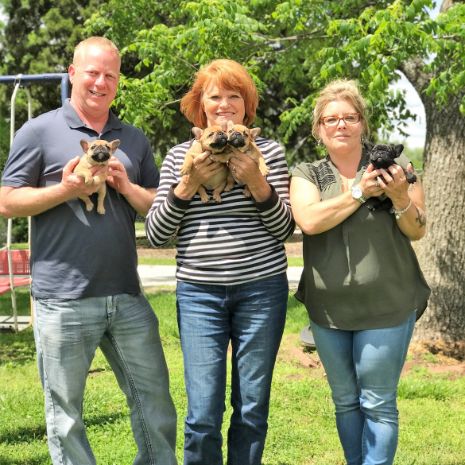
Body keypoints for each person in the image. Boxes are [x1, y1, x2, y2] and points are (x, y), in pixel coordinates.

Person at [0, 37, 177, 465]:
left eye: (110, 75)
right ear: (73, 72)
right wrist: (64, 189)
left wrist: (126, 186)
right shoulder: (39, 130)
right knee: (65, 418)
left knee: (155, 403)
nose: (101, 82)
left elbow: (158, 202)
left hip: (127, 294)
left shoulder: (131, 138)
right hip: (63, 298)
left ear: (118, 82)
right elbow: (6, 200)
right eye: (92, 72)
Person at [145, 59, 295, 465]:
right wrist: (188, 185)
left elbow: (286, 230)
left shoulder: (269, 153)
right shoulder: (180, 156)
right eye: (215, 96)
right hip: (199, 294)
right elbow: (157, 234)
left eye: (235, 97)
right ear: (201, 107)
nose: (225, 104)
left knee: (250, 409)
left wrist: (257, 184)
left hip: (262, 290)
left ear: (247, 108)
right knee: (203, 414)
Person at [290, 79, 430, 465]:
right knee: (346, 401)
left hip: (387, 303)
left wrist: (400, 195)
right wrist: (358, 192)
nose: (341, 125)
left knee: (378, 402)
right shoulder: (308, 172)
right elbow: (310, 220)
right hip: (329, 309)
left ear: (362, 123)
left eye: (349, 117)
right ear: (319, 128)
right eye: (331, 119)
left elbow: (417, 230)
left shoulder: (396, 168)